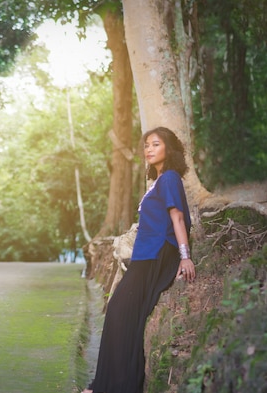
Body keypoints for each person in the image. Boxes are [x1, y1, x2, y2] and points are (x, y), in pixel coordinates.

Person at [83, 126, 195, 393]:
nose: (149, 150)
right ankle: (106, 385)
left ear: (168, 148)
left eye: (155, 144)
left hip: (156, 255)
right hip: (145, 255)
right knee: (122, 315)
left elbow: (177, 218)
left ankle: (110, 387)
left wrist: (185, 257)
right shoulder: (157, 182)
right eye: (146, 145)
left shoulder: (169, 178)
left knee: (119, 313)